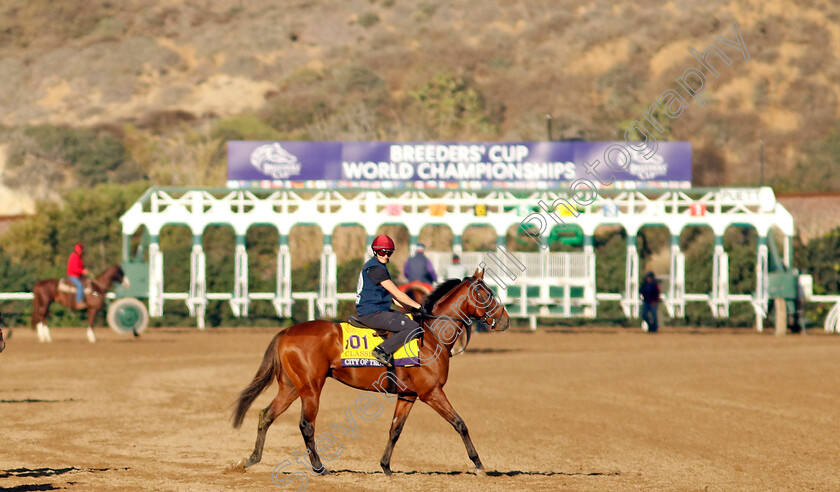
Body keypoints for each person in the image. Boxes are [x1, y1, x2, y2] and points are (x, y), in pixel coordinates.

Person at [357, 234, 426, 367]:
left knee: (411, 318)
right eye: (382, 252)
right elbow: (398, 294)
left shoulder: (378, 266)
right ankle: (381, 350)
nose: (386, 256)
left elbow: (393, 298)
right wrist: (419, 307)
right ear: (375, 251)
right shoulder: (376, 269)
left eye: (389, 253)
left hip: (376, 311)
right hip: (371, 313)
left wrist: (411, 309)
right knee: (413, 328)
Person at [67, 243, 90, 310]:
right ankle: (78, 302)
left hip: (78, 276)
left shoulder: (79, 257)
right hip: (72, 275)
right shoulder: (75, 256)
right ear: (79, 250)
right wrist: (83, 271)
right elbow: (74, 269)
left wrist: (84, 269)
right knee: (80, 285)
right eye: (82, 249)